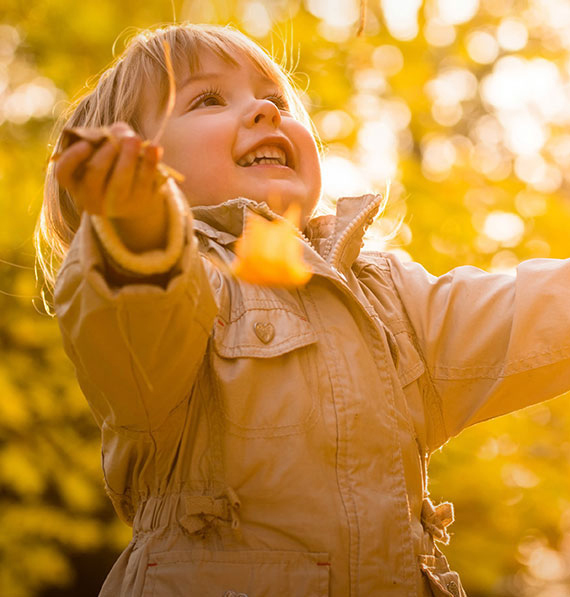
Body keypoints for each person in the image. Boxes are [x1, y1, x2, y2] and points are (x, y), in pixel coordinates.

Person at [35, 23, 570, 597]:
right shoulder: (181, 283)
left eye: (275, 99)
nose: (265, 112)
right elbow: (132, 321)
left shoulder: (387, 296)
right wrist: (134, 227)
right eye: (208, 99)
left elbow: (528, 314)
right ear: (145, 163)